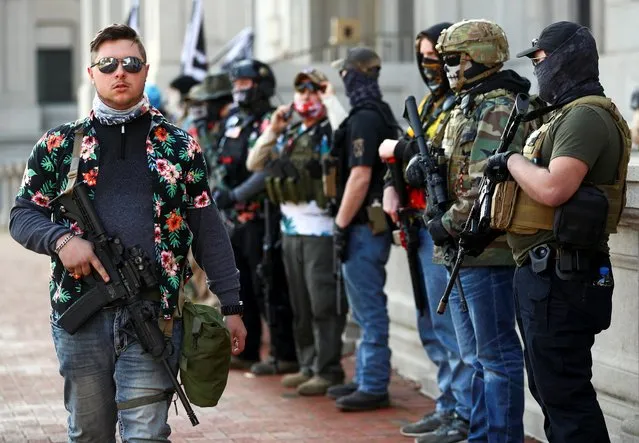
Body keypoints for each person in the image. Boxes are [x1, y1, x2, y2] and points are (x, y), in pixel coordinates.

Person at [8, 24, 245, 441]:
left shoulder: (179, 146)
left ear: (146, 71)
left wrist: (231, 303)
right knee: (89, 432)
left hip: (154, 314)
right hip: (80, 317)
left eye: (131, 64)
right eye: (109, 64)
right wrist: (62, 241)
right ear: (92, 72)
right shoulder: (59, 145)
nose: (121, 72)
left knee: (147, 434)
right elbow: (23, 215)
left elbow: (208, 228)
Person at [485, 21, 631, 443]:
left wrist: (511, 162)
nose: (537, 68)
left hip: (563, 275)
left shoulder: (586, 115)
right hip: (545, 272)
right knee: (550, 391)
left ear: (567, 57)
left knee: (565, 396)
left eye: (541, 59)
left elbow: (554, 188)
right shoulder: (564, 113)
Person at [408, 19, 530, 441]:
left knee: (496, 357)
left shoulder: (499, 103)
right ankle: (480, 434)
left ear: (479, 57)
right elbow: (450, 163)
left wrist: (446, 224)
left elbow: (484, 182)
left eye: (454, 59)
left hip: (486, 249)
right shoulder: (468, 103)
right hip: (459, 249)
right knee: (475, 357)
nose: (446, 69)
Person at [378, 23, 474, 442]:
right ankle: (449, 404)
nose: (428, 65)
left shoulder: (460, 103)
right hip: (417, 225)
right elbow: (403, 155)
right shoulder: (432, 104)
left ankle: (464, 413)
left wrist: (401, 155)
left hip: (445, 227)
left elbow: (438, 160)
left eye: (436, 57)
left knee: (453, 331)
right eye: (423, 58)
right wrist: (390, 184)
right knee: (430, 327)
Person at [246, 68, 348, 395]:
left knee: (323, 304)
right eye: (301, 90)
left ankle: (328, 369)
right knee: (300, 304)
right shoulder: (290, 134)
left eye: (313, 90)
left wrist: (331, 97)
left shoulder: (331, 130)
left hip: (321, 230)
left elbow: (346, 130)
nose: (306, 95)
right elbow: (255, 163)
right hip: (290, 229)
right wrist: (273, 129)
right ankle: (308, 364)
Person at [211, 59, 298, 375]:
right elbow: (219, 160)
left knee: (271, 286)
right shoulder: (233, 119)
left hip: (262, 216)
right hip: (233, 220)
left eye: (245, 84)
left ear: (261, 86)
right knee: (242, 286)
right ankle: (245, 351)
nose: (238, 90)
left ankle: (284, 354)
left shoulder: (271, 122)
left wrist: (235, 195)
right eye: (236, 85)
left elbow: (264, 169)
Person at [326, 47, 398, 412]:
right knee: (362, 307)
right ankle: (366, 376)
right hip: (369, 223)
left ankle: (373, 384)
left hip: (362, 225)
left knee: (369, 309)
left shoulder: (367, 118)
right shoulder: (375, 112)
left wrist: (339, 225)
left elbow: (360, 176)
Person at [182, 72, 236, 308]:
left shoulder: (232, 129)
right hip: (195, 213)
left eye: (204, 103)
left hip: (226, 215)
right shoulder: (195, 130)